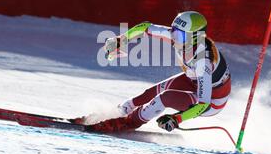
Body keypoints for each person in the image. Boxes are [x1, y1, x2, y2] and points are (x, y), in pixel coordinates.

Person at [78, 11, 231, 133]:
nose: (173, 37)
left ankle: (129, 122)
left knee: (165, 97)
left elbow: (203, 104)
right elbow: (145, 27)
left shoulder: (202, 61)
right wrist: (121, 40)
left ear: (195, 37)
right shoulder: (182, 38)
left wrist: (176, 119)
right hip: (194, 80)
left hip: (212, 101)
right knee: (151, 91)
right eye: (173, 31)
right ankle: (117, 112)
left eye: (179, 35)